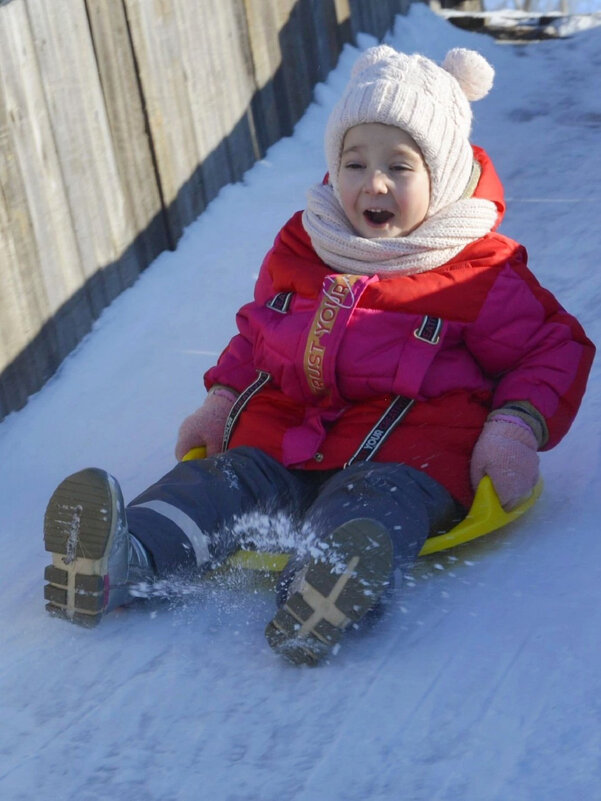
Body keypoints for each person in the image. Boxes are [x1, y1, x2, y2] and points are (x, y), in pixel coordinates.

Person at [43, 46, 594, 665]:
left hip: (410, 452)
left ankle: (328, 586)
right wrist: (222, 399)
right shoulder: (306, 246)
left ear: (443, 178)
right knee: (219, 483)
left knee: (375, 505)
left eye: (400, 166)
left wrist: (513, 426)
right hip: (284, 440)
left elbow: (555, 346)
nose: (373, 183)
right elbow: (258, 334)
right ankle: (125, 557)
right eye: (354, 162)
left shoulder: (478, 274)